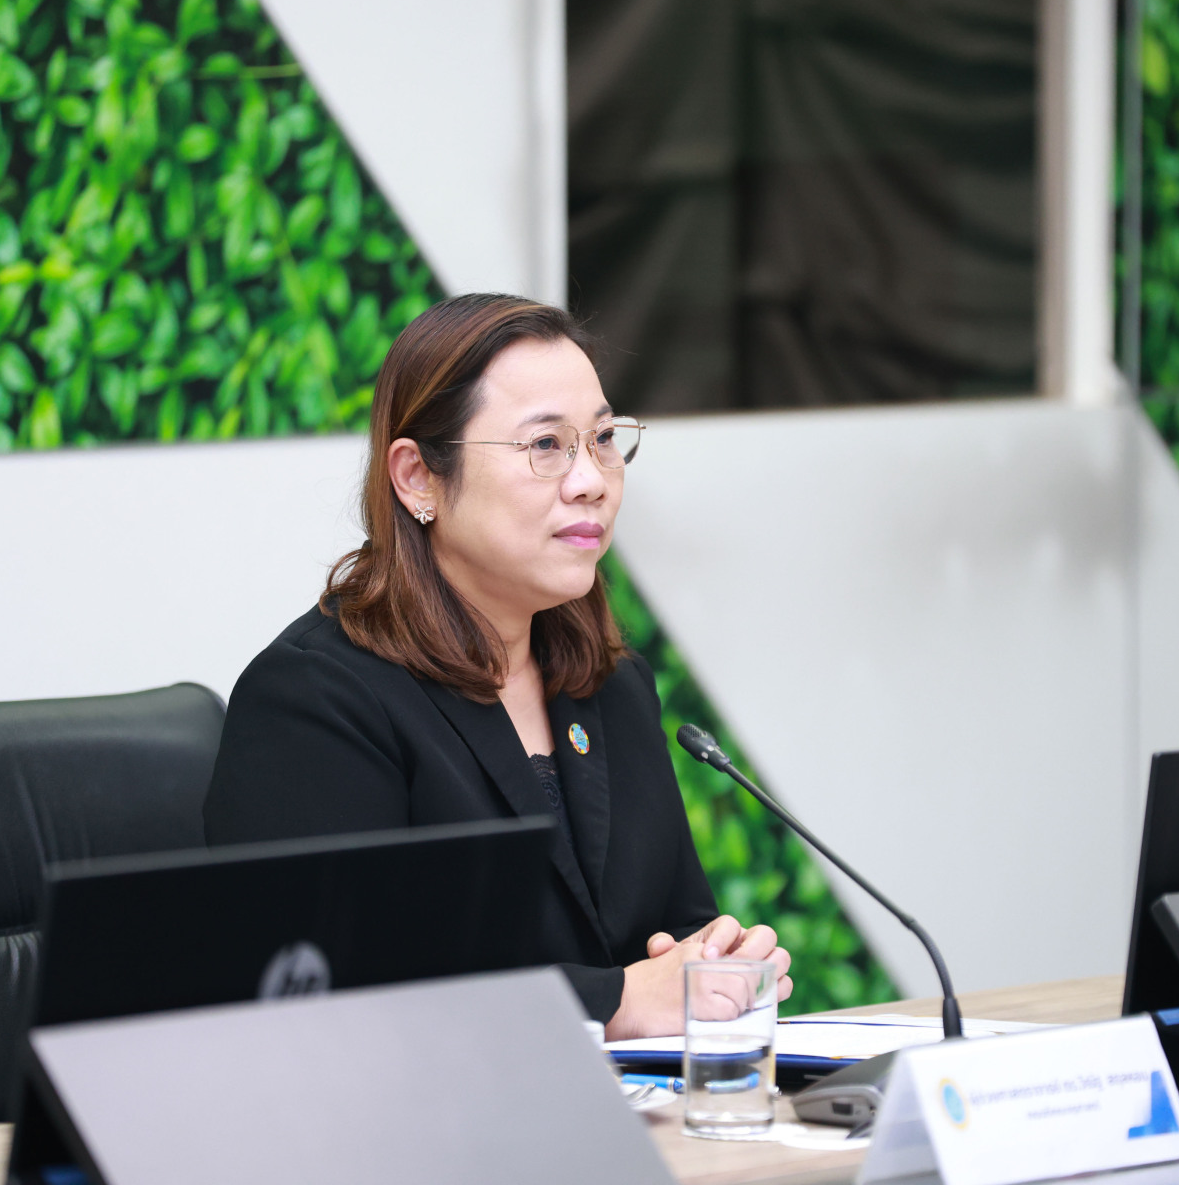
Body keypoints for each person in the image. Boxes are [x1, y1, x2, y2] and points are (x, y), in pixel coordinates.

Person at [204, 294, 793, 1037]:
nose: (591, 479)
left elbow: (672, 931)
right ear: (418, 477)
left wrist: (717, 967)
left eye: (603, 438)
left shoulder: (612, 685)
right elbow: (328, 991)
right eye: (546, 445)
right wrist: (614, 1002)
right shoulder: (317, 700)